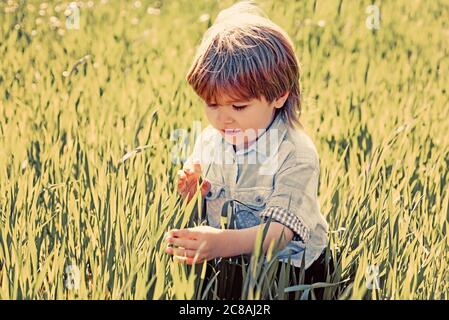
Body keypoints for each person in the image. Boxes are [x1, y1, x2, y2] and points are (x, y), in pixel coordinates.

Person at [164, 0, 335, 299]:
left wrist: (221, 244)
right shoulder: (209, 140)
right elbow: (201, 205)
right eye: (212, 104)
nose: (223, 117)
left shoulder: (295, 154)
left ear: (279, 95)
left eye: (239, 106)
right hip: (232, 262)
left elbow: (279, 235)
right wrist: (191, 193)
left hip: (292, 271)